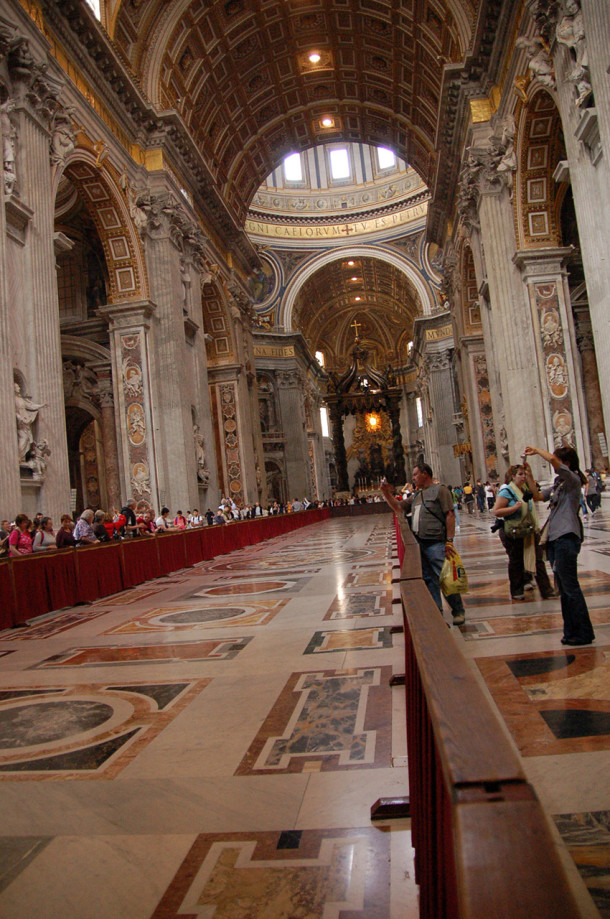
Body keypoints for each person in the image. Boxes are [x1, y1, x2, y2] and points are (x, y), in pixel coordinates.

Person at [524, 444, 595, 646]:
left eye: (557, 460)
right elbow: (537, 496)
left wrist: (537, 451)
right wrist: (529, 475)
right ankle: (570, 631)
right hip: (555, 538)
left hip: (567, 536)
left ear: (567, 463)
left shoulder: (572, 480)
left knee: (571, 587)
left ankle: (583, 632)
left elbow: (554, 462)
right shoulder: (559, 484)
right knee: (562, 587)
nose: (554, 464)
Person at [381, 464, 466, 626]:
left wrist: (449, 541)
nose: (412, 478)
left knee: (445, 578)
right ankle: (437, 615)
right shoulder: (416, 495)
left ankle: (458, 611)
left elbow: (450, 515)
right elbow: (398, 507)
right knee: (429, 580)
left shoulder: (440, 490)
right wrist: (386, 493)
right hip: (420, 543)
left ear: (425, 474)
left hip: (437, 543)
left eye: (415, 474)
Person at [492, 463, 555, 601]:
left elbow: (536, 495)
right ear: (513, 476)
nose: (523, 477)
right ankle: (516, 590)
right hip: (513, 532)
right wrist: (514, 508)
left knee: (538, 560)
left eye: (524, 474)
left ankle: (546, 590)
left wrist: (530, 474)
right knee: (516, 561)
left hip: (528, 530)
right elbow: (496, 511)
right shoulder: (507, 491)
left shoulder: (524, 489)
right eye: (520, 474)